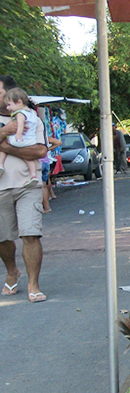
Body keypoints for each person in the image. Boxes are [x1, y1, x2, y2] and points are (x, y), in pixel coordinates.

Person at [0, 75, 49, 302]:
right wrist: (5, 131)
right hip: (1, 188)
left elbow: (40, 152)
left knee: (30, 234)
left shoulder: (33, 119)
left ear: (11, 95)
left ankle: (33, 284)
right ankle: (12, 271)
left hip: (28, 184)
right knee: (3, 238)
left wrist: (7, 147)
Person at [1, 88, 41, 188]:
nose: (8, 107)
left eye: (9, 104)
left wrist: (18, 134)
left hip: (19, 140)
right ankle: (33, 174)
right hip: (30, 141)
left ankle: (0, 164)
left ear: (19, 102)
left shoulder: (19, 113)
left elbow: (20, 123)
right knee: (28, 158)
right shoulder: (33, 113)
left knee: (3, 145)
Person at [42, 136, 61, 213]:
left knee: (41, 186)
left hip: (39, 161)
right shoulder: (45, 138)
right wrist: (48, 149)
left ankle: (46, 203)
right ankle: (47, 204)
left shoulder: (33, 137)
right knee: (44, 184)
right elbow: (58, 143)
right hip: (47, 161)